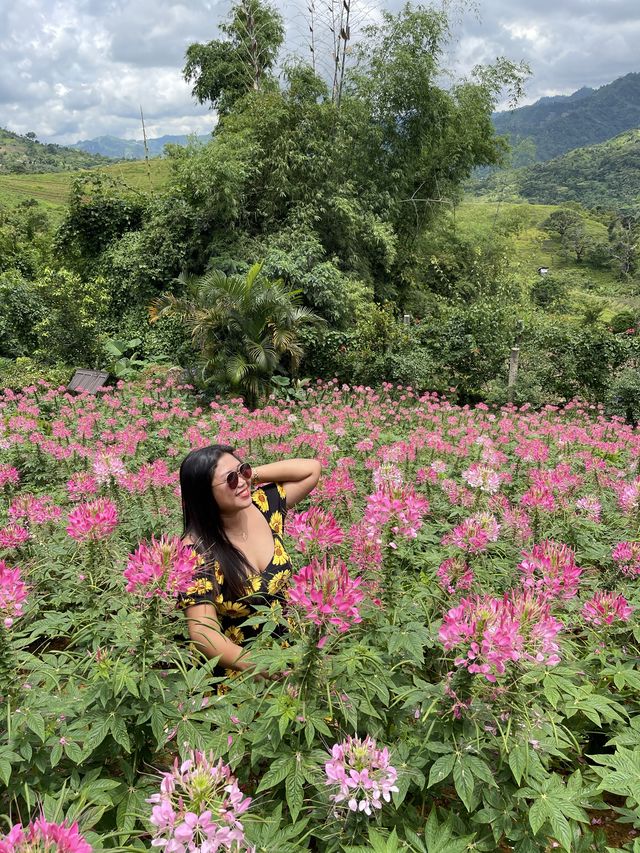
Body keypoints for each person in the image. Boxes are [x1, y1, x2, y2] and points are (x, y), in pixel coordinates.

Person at [177, 444, 321, 678]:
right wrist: (257, 667)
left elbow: (311, 469)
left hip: (289, 652)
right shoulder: (195, 552)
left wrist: (246, 475)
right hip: (239, 674)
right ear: (204, 494)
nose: (242, 483)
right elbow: (204, 633)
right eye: (230, 480)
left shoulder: (263, 504)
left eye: (242, 470)